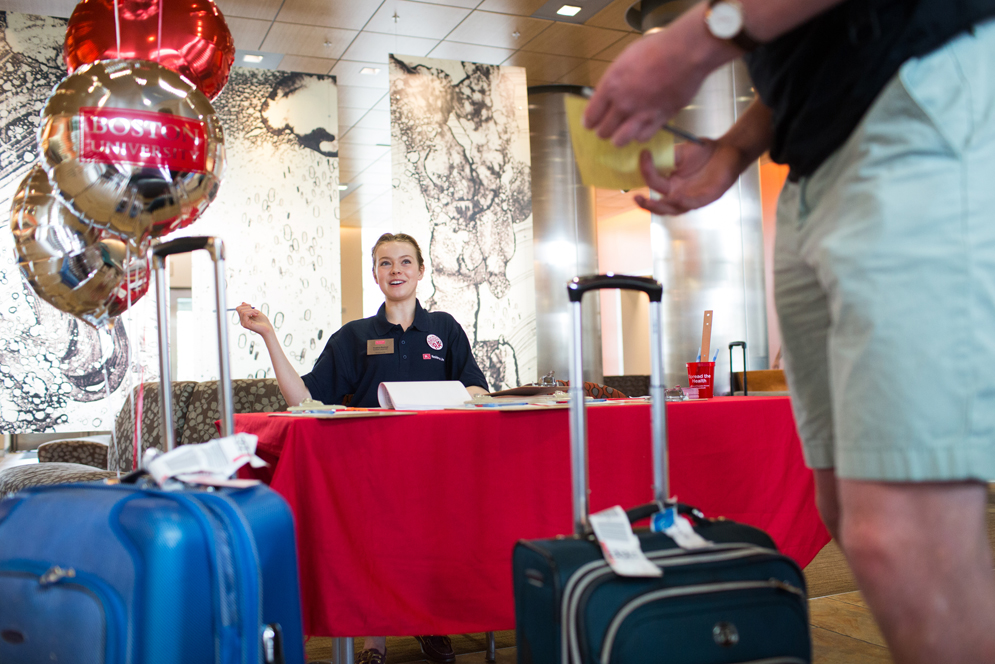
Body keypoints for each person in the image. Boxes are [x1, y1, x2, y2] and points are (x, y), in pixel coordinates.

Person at [584, 1, 995, 663]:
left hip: (913, 98)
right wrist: (735, 150)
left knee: (901, 535)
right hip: (811, 159)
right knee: (849, 516)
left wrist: (696, 40)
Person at [237, 232, 489, 664]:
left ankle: (431, 625)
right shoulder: (353, 337)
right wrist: (269, 336)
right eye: (386, 263)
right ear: (374, 274)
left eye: (405, 262)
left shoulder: (445, 328)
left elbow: (476, 389)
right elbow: (302, 401)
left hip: (434, 467)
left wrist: (468, 398)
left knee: (432, 544)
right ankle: (374, 643)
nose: (397, 271)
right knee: (375, 550)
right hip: (370, 469)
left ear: (421, 270)